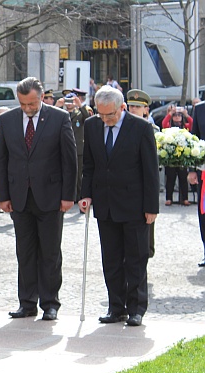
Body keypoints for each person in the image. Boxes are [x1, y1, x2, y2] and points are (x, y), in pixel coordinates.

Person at [0, 77, 77, 321]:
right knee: (25, 251)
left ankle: (50, 303)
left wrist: (68, 196)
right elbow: (1, 160)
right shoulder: (8, 120)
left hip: (50, 196)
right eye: (23, 104)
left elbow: (69, 160)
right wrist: (3, 196)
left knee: (50, 252)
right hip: (19, 197)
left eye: (32, 103)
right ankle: (27, 302)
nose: (28, 109)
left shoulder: (59, 118)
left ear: (41, 97)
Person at [79, 85, 159, 327]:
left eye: (110, 115)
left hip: (134, 205)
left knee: (135, 259)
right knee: (111, 260)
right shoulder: (92, 126)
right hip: (105, 205)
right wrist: (86, 194)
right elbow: (89, 165)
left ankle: (136, 308)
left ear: (122, 108)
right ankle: (116, 307)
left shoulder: (141, 128)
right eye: (100, 114)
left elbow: (150, 171)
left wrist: (151, 207)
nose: (105, 119)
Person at [126, 89, 160, 259]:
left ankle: (146, 252)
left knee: (147, 224)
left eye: (137, 107)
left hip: (145, 185)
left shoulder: (152, 130)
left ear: (146, 109)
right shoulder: (122, 129)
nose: (133, 110)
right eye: (131, 106)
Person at [56, 90, 91, 201]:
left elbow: (88, 119)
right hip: (64, 148)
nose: (69, 103)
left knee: (78, 174)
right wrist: (57, 106)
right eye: (67, 101)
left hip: (78, 148)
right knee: (65, 173)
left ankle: (78, 196)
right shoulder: (61, 114)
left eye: (71, 101)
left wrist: (79, 105)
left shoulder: (79, 113)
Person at [163, 106, 191, 206]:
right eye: (175, 115)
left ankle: (185, 198)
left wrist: (186, 115)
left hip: (182, 156)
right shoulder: (169, 126)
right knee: (170, 178)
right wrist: (170, 113)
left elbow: (192, 123)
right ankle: (169, 198)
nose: (177, 117)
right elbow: (164, 123)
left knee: (183, 178)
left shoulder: (185, 126)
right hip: (171, 156)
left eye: (179, 115)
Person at [189, 100, 205, 266]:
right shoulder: (200, 109)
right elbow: (195, 140)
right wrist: (192, 169)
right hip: (204, 171)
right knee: (204, 212)